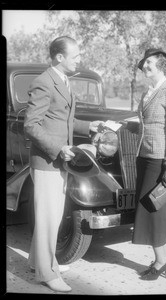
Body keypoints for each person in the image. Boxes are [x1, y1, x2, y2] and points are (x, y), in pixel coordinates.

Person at [24, 36, 104, 292]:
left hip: (58, 161)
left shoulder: (64, 80)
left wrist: (87, 126)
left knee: (50, 215)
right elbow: (31, 125)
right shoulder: (44, 82)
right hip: (48, 161)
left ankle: (37, 261)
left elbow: (61, 119)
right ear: (60, 57)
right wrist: (59, 149)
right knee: (49, 216)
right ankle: (46, 273)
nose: (79, 59)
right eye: (75, 55)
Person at [131, 48, 166, 280]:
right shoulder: (149, 92)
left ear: (162, 66)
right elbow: (146, 125)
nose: (144, 66)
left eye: (149, 63)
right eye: (144, 63)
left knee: (155, 210)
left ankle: (162, 261)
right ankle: (160, 259)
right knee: (148, 210)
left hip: (159, 161)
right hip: (144, 157)